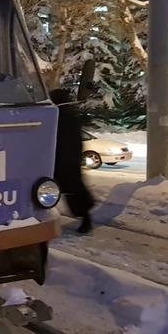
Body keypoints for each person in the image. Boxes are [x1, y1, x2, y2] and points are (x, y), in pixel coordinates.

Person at [50, 88, 94, 234]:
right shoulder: (69, 117)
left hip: (62, 161)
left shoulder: (58, 117)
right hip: (68, 160)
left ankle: (84, 214)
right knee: (71, 189)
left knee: (68, 190)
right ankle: (84, 213)